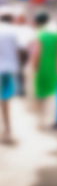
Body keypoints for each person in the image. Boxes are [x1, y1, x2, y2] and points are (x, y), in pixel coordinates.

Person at [0, 10, 20, 143]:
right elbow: (18, 49)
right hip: (9, 69)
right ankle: (8, 130)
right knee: (6, 101)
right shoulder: (13, 32)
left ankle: (6, 131)